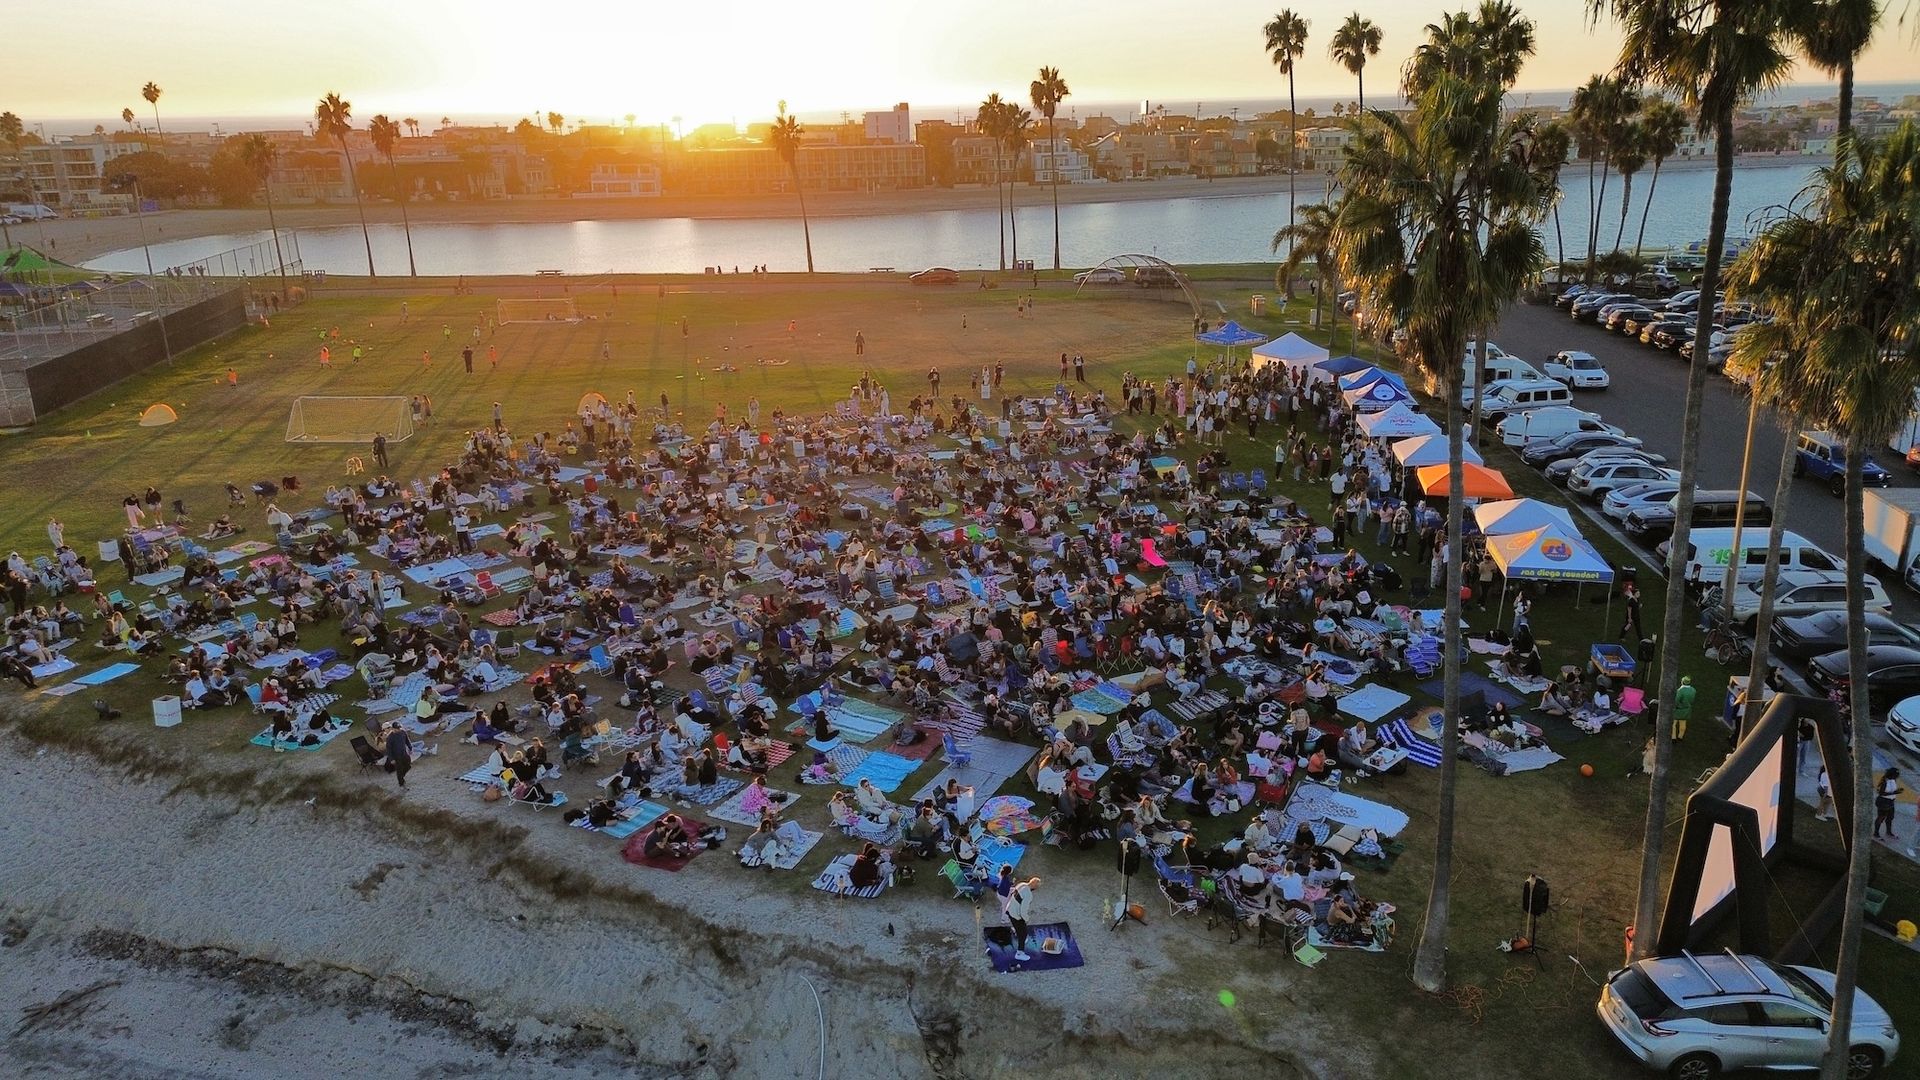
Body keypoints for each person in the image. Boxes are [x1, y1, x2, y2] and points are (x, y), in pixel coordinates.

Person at [1003, 873, 1040, 962]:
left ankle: (1016, 933)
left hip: (1009, 909)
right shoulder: (1028, 895)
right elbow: (1023, 910)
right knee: (1023, 933)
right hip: (1016, 915)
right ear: (1035, 887)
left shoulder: (1022, 884)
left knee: (1017, 927)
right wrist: (1026, 919)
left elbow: (1012, 894)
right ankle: (1019, 953)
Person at [1873, 768, 1902, 840]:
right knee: (1881, 818)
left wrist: (1897, 791)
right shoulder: (1884, 782)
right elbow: (1881, 793)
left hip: (1891, 802)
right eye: (1896, 775)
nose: (1897, 777)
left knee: (1890, 818)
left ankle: (1889, 832)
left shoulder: (1893, 780)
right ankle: (1876, 833)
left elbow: (1892, 790)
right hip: (1883, 802)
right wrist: (1894, 793)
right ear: (1892, 775)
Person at [383, 723, 413, 788]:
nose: (399, 729)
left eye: (399, 728)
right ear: (393, 729)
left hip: (404, 753)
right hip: (396, 756)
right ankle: (401, 783)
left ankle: (401, 776)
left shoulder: (403, 732)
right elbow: (389, 749)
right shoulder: (390, 737)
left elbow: (407, 740)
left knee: (408, 766)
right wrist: (391, 759)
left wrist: (410, 747)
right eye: (397, 728)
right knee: (399, 770)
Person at [1671, 675, 1696, 742]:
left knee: (1673, 724)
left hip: (1678, 709)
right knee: (1683, 723)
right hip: (1687, 709)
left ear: (1682, 682)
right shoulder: (1693, 690)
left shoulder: (1680, 691)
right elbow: (1692, 700)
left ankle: (1673, 737)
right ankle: (1680, 736)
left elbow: (1676, 701)